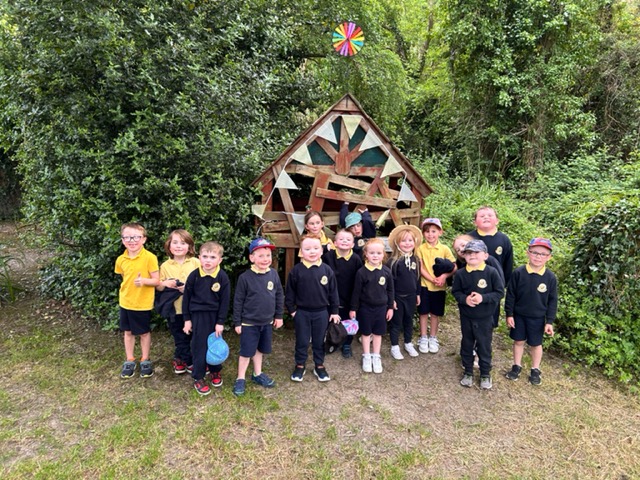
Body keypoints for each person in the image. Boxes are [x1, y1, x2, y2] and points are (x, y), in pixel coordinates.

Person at [232, 238, 284, 396]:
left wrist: (279, 315)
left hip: (267, 322)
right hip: (248, 323)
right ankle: (240, 378)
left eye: (268, 255)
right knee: (247, 351)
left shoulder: (273, 274)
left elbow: (279, 295)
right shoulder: (245, 278)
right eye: (260, 256)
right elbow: (238, 301)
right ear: (252, 258)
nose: (265, 259)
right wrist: (237, 322)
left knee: (260, 350)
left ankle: (257, 374)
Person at [286, 235, 341, 382]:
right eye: (307, 249)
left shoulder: (327, 270)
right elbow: (290, 292)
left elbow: (333, 292)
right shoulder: (296, 271)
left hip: (321, 312)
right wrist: (292, 310)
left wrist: (334, 311)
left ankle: (319, 365)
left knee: (319, 341)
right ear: (301, 251)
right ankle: (300, 365)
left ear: (321, 250)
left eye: (316, 248)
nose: (312, 252)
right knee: (302, 340)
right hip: (302, 312)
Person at [452, 240, 504, 390]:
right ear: (464, 256)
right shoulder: (461, 274)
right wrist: (465, 299)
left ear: (485, 255)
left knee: (484, 345)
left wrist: (483, 298)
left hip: (485, 318)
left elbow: (499, 292)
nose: (472, 255)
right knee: (467, 343)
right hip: (467, 316)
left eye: (476, 252)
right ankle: (468, 371)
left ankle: (485, 373)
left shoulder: (491, 272)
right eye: (469, 252)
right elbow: (456, 292)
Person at [505, 238, 558, 385]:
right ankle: (516, 366)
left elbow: (552, 301)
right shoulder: (518, 272)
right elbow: (511, 295)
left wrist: (549, 322)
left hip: (538, 318)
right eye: (534, 253)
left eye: (543, 254)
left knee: (536, 344)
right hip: (519, 316)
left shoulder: (550, 277)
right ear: (528, 253)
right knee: (518, 341)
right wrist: (509, 314)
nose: (538, 257)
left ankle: (535, 369)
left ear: (549, 257)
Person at [183, 241, 230, 396]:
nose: (208, 260)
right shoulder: (194, 276)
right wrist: (187, 319)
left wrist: (220, 322)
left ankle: (215, 370)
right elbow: (186, 299)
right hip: (198, 316)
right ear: (199, 258)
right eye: (205, 256)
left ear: (219, 260)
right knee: (199, 347)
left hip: (215, 317)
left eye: (212, 257)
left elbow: (225, 302)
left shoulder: (222, 277)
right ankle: (199, 376)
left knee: (215, 344)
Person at [115, 222, 160, 379]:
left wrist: (144, 282)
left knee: (144, 333)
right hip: (126, 302)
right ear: (122, 240)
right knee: (128, 332)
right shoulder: (121, 260)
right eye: (127, 237)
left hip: (142, 304)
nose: (131, 240)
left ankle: (145, 359)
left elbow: (157, 280)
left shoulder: (150, 258)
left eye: (135, 237)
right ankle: (130, 359)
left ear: (144, 239)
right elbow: (124, 279)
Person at [156, 229, 200, 375]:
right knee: (179, 336)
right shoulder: (165, 266)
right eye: (175, 242)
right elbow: (159, 287)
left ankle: (182, 358)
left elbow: (203, 284)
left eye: (183, 243)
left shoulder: (196, 263)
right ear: (169, 246)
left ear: (190, 246)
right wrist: (166, 284)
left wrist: (188, 288)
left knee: (193, 336)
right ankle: (188, 361)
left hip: (193, 309)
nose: (179, 246)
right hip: (174, 310)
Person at [350, 238, 395, 373]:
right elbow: (356, 292)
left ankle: (376, 356)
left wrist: (390, 307)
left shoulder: (386, 272)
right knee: (366, 333)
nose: (375, 256)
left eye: (379, 253)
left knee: (378, 333)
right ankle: (367, 356)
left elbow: (391, 290)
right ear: (366, 254)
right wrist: (353, 308)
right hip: (365, 308)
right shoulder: (361, 272)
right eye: (372, 253)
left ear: (384, 254)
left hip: (381, 308)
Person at [415, 218, 457, 354]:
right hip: (424, 285)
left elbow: (454, 266)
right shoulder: (420, 248)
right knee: (423, 312)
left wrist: (444, 277)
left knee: (435, 313)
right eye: (427, 231)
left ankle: (433, 337)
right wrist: (432, 279)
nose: (430, 234)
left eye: (433, 231)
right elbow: (420, 268)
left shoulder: (444, 249)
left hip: (440, 287)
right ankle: (423, 336)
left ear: (440, 232)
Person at [468, 206, 513, 327]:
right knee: (470, 315)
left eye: (490, 215)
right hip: (472, 282)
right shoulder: (469, 238)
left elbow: (508, 264)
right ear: (475, 221)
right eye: (482, 216)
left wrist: (504, 284)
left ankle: (485, 342)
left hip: (494, 285)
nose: (486, 217)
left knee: (490, 318)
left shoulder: (504, 240)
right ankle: (471, 342)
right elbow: (461, 261)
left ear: (497, 220)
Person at [322, 229, 363, 358]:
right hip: (331, 296)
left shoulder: (356, 259)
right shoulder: (328, 257)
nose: (344, 241)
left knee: (348, 321)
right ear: (334, 243)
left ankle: (347, 344)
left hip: (349, 296)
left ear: (352, 244)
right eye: (341, 239)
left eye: (348, 239)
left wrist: (354, 304)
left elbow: (359, 281)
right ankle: (330, 342)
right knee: (330, 320)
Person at [386, 224, 422, 360]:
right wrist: (392, 299)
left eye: (410, 240)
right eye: (404, 241)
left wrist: (418, 293)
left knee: (409, 320)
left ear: (415, 242)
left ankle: (408, 342)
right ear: (397, 243)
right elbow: (390, 283)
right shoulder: (393, 262)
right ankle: (394, 346)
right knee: (396, 322)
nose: (407, 244)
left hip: (411, 296)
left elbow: (418, 278)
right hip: (398, 297)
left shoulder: (416, 260)